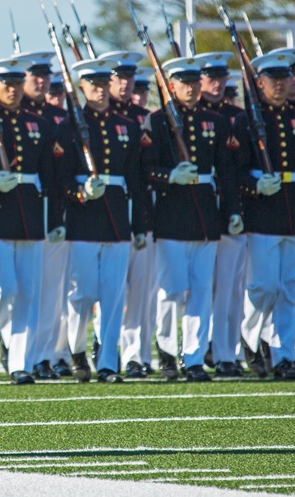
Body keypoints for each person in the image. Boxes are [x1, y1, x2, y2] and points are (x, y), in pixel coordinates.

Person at [0, 57, 65, 385]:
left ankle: (20, 363)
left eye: (17, 83)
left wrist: (57, 218)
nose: (12, 89)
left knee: (29, 293)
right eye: (5, 84)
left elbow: (51, 176)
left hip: (31, 215)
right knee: (2, 289)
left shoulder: (38, 123)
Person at [143, 56, 237, 382]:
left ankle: (193, 357)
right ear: (171, 85)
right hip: (172, 217)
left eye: (195, 83)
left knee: (201, 292)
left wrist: (232, 213)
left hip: (206, 217)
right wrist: (170, 177)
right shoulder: (156, 123)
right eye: (184, 83)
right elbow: (145, 171)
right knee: (171, 291)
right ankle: (168, 352)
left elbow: (226, 173)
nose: (192, 89)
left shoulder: (215, 122)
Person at [232, 50, 295, 380]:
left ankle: (284, 354)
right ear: (259, 83)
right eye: (274, 80)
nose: (282, 85)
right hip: (263, 215)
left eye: (285, 79)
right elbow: (236, 171)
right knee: (265, 286)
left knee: (290, 289)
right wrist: (256, 185)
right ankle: (251, 335)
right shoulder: (245, 122)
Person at [62, 58, 147, 382]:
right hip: (84, 218)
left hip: (117, 218)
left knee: (113, 296)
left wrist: (139, 225)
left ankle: (109, 361)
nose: (99, 90)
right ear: (82, 87)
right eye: (92, 85)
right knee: (82, 293)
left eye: (103, 85)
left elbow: (136, 180)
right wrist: (80, 192)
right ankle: (77, 350)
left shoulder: (126, 124)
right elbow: (61, 178)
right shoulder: (71, 125)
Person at [13, 50, 70, 381]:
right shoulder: (11, 117)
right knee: (19, 289)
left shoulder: (57, 118)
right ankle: (18, 352)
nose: (41, 80)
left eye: (45, 75)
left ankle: (43, 355)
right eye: (34, 75)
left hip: (52, 211)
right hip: (20, 212)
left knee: (50, 290)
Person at [101, 51, 157, 379]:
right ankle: (100, 346)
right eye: (118, 78)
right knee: (107, 290)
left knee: (141, 291)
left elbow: (145, 170)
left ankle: (136, 355)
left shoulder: (142, 118)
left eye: (129, 78)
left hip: (142, 213)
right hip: (107, 214)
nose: (124, 84)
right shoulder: (96, 119)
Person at [193, 50, 246, 378]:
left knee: (229, 288)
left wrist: (236, 209)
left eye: (220, 78)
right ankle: (200, 349)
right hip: (199, 212)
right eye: (209, 78)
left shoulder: (238, 118)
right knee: (198, 288)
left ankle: (227, 352)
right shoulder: (189, 117)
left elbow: (237, 170)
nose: (215, 84)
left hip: (231, 210)